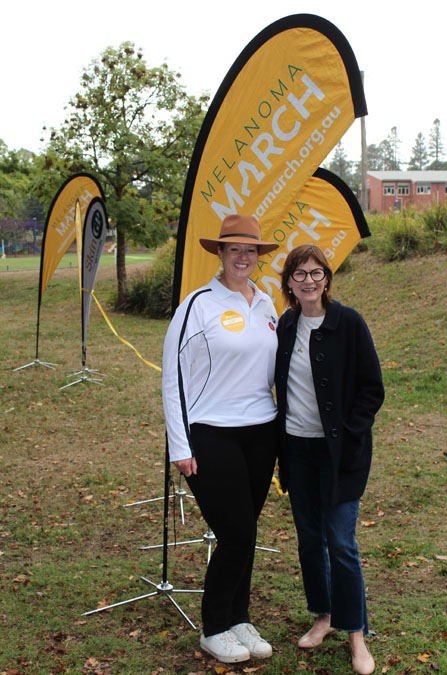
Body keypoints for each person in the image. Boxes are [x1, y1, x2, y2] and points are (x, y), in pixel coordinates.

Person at [162, 215, 279, 664]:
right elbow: (173, 377)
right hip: (211, 432)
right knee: (236, 533)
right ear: (220, 253)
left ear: (258, 256)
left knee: (246, 531)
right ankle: (214, 628)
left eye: (250, 250)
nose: (243, 257)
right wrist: (180, 445)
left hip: (262, 433)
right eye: (234, 249)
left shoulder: (266, 304)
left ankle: (238, 618)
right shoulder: (198, 305)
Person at [275, 243, 384, 675]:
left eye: (315, 272)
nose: (308, 281)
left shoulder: (348, 322)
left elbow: (372, 389)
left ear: (327, 278)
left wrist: (349, 433)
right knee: (309, 540)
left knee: (340, 542)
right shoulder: (286, 324)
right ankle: (323, 615)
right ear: (288, 282)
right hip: (297, 450)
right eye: (299, 273)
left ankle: (356, 634)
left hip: (340, 455)